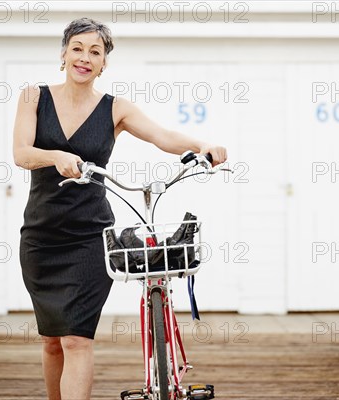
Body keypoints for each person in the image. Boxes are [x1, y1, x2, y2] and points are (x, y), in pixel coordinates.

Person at [12, 17, 227, 400]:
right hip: (41, 237)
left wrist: (203, 146)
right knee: (51, 342)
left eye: (95, 52)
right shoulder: (34, 97)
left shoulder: (116, 109)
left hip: (89, 237)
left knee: (76, 340)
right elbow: (22, 154)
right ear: (63, 54)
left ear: (104, 64)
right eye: (77, 48)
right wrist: (55, 156)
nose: (85, 57)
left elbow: (164, 137)